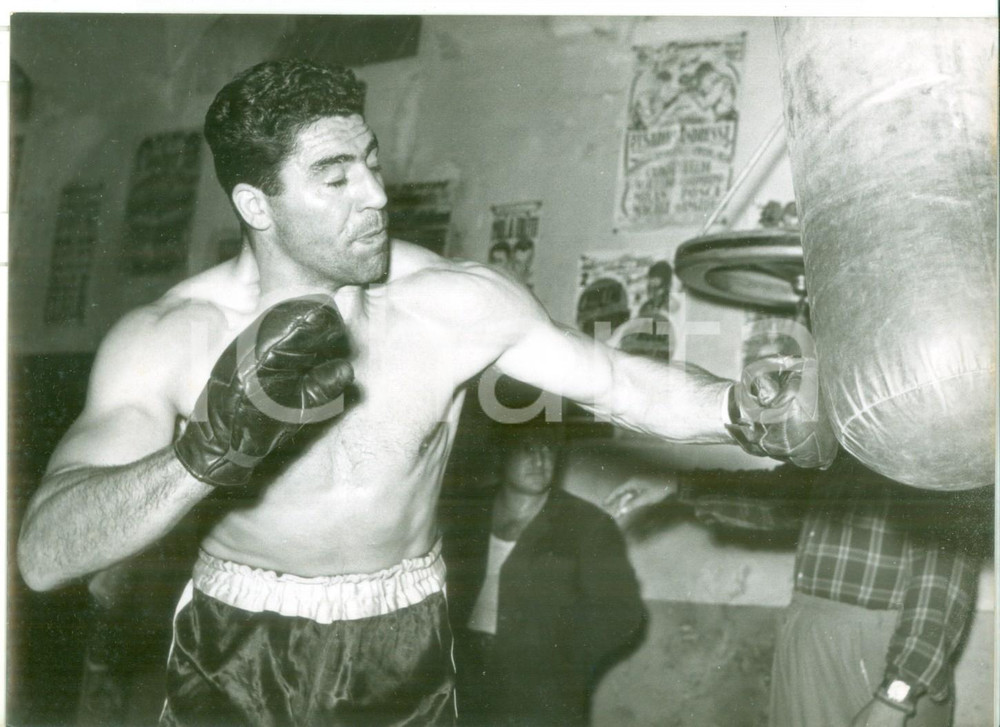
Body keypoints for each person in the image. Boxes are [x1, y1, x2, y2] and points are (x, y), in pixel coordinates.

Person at [17, 59, 833, 726]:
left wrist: (742, 410)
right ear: (254, 204)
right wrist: (199, 459)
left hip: (399, 644)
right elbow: (45, 553)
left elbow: (619, 381)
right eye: (334, 178)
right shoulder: (170, 336)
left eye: (371, 162)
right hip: (236, 651)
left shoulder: (454, 302)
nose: (375, 194)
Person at [605, 452, 983, 727]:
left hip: (883, 665)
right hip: (807, 647)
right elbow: (775, 498)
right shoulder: (841, 449)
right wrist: (676, 485)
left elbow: (939, 594)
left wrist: (894, 700)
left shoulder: (941, 452)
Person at [443, 421, 645, 726]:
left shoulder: (587, 523)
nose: (540, 459)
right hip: (465, 678)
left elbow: (623, 614)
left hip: (542, 692)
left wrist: (561, 664)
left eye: (548, 449)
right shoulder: (467, 510)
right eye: (527, 448)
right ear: (501, 455)